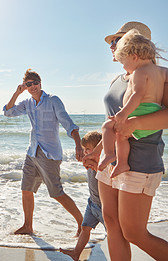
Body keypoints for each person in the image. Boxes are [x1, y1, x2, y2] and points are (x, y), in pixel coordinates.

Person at [82, 21, 168, 261]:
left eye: (116, 40)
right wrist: (98, 151)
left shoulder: (158, 76)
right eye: (111, 42)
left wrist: (135, 124)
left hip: (140, 162)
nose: (111, 45)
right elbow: (112, 121)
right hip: (112, 161)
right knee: (111, 223)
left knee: (134, 233)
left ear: (134, 45)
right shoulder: (117, 80)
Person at [3, 69, 84, 236]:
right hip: (32, 152)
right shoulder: (27, 102)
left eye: (34, 83)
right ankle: (28, 226)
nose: (32, 86)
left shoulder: (53, 100)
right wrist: (16, 93)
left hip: (50, 154)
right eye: (28, 84)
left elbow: (68, 123)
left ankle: (83, 224)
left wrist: (78, 145)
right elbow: (8, 112)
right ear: (25, 87)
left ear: (40, 83)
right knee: (26, 189)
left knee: (56, 193)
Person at [98, 29, 167, 178]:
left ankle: (115, 158)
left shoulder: (139, 72)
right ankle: (118, 161)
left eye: (124, 62)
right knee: (120, 134)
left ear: (134, 57)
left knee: (113, 131)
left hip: (140, 111)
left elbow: (137, 94)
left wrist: (123, 113)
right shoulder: (163, 71)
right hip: (152, 112)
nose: (123, 67)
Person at [60, 131, 105, 261]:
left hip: (104, 206)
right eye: (84, 149)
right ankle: (76, 252)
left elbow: (108, 177)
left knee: (113, 233)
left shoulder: (102, 163)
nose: (85, 152)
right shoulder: (89, 161)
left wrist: (96, 166)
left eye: (88, 149)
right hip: (92, 203)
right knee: (85, 228)